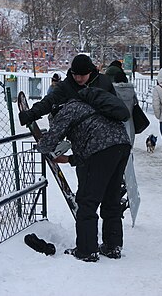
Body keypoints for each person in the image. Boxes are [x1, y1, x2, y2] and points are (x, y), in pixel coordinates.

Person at [36, 89, 131, 262]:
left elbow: (51, 141)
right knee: (111, 196)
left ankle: (87, 250)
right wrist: (70, 159)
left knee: (87, 200)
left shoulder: (67, 110)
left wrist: (41, 146)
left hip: (102, 149)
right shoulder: (89, 107)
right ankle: (112, 245)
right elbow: (90, 142)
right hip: (122, 144)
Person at [19, 54, 116, 126]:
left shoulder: (104, 83)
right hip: (80, 135)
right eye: (75, 75)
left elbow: (115, 106)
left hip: (104, 130)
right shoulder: (67, 85)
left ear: (90, 72)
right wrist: (32, 113)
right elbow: (50, 100)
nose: (78, 78)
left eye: (82, 75)